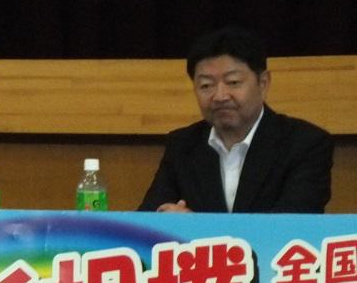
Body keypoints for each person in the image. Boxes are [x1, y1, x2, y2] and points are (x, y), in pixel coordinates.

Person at [138, 26, 332, 214]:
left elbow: (290, 228)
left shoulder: (305, 144)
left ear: (263, 83)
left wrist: (194, 227)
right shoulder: (182, 145)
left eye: (233, 82)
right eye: (206, 85)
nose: (220, 96)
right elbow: (148, 218)